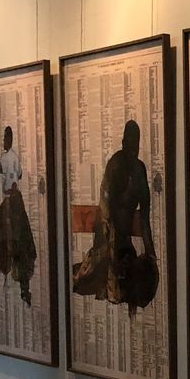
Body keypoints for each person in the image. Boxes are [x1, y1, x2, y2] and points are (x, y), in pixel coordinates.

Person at [71, 119, 158, 314]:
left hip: (124, 239)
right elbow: (106, 210)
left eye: (136, 145)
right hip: (108, 233)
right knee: (87, 278)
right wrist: (110, 248)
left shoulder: (140, 170)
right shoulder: (116, 164)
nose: (132, 150)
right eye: (129, 144)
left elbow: (145, 215)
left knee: (131, 283)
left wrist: (151, 254)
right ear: (123, 142)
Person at [0, 126, 37, 305]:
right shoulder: (15, 157)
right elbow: (20, 174)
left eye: (5, 138)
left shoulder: (7, 157)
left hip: (11, 201)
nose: (4, 141)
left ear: (9, 139)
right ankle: (23, 288)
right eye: (3, 138)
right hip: (16, 200)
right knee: (21, 242)